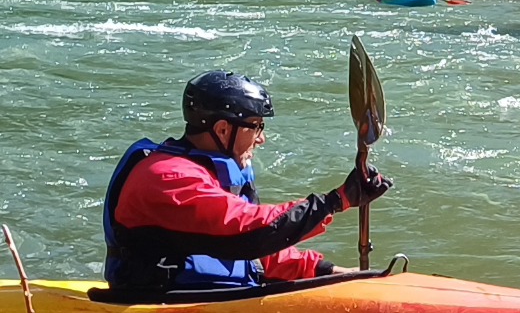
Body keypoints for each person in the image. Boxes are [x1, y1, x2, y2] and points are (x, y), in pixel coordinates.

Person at [102, 71, 391, 299]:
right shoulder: (168, 177)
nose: (261, 138)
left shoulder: (211, 170)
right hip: (164, 301)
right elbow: (252, 232)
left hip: (216, 294)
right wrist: (336, 201)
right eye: (256, 126)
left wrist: (329, 272)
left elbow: (262, 254)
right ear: (222, 129)